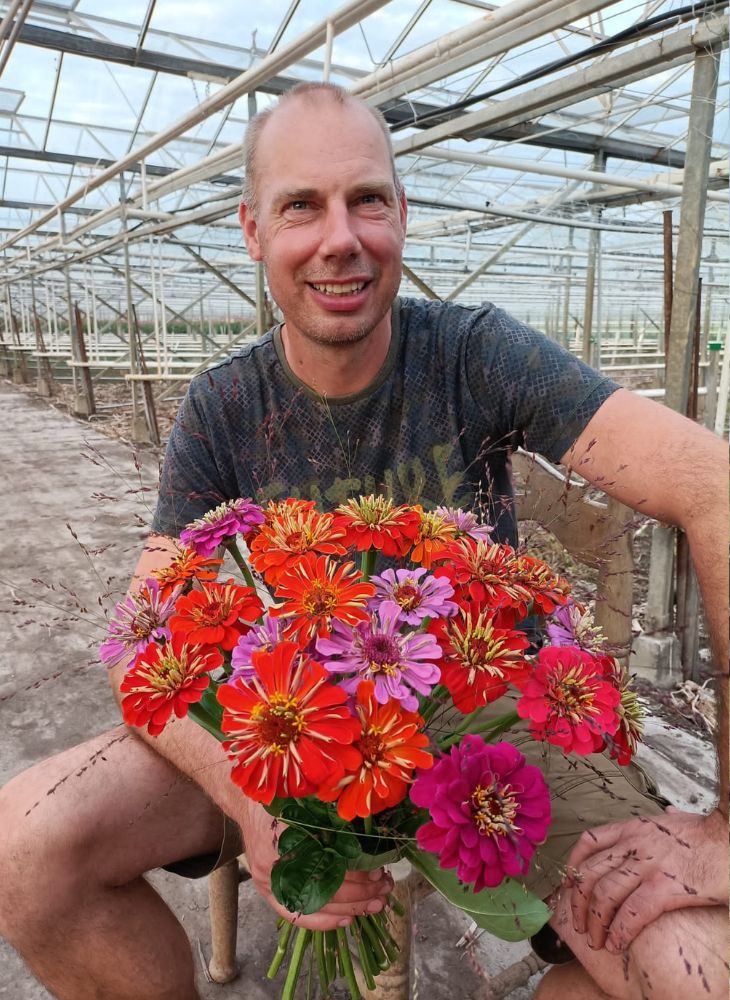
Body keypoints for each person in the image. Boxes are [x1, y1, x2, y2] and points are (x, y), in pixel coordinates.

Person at [0, 82, 726, 1000]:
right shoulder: (224, 405)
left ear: (402, 214)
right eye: (301, 204)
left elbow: (717, 489)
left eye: (366, 199)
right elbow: (139, 642)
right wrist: (250, 798)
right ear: (254, 230)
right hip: (286, 724)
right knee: (25, 845)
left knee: (700, 971)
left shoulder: (474, 354)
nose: (339, 238)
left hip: (482, 723)